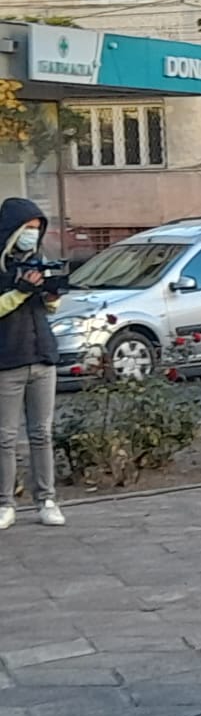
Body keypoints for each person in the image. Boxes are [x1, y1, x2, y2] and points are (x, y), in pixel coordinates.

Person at [0, 198, 62, 531]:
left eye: (37, 229)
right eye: (28, 228)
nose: (33, 234)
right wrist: (18, 292)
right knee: (5, 437)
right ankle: (5, 503)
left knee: (42, 433)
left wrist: (52, 294)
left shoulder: (39, 261)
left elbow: (48, 310)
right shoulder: (3, 267)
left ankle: (47, 499)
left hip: (42, 356)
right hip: (7, 359)